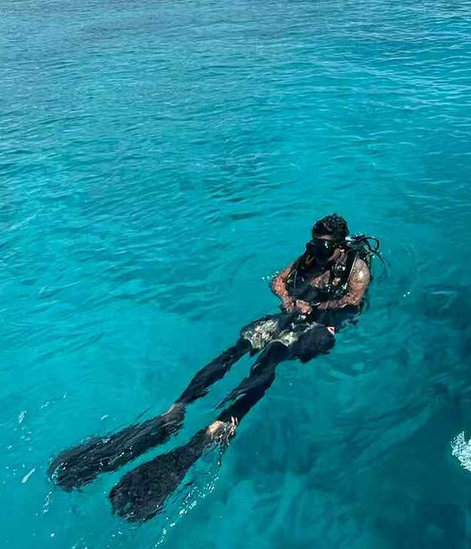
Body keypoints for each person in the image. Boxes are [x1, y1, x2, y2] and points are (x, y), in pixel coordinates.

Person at [49, 213, 379, 521]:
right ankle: (176, 411)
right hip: (292, 313)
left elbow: (353, 302)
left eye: (322, 245)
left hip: (322, 327)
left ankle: (222, 424)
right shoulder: (309, 256)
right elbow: (278, 281)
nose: (315, 249)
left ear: (338, 244)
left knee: (273, 356)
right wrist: (290, 301)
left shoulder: (357, 267)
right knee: (237, 349)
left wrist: (316, 306)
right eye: (313, 242)